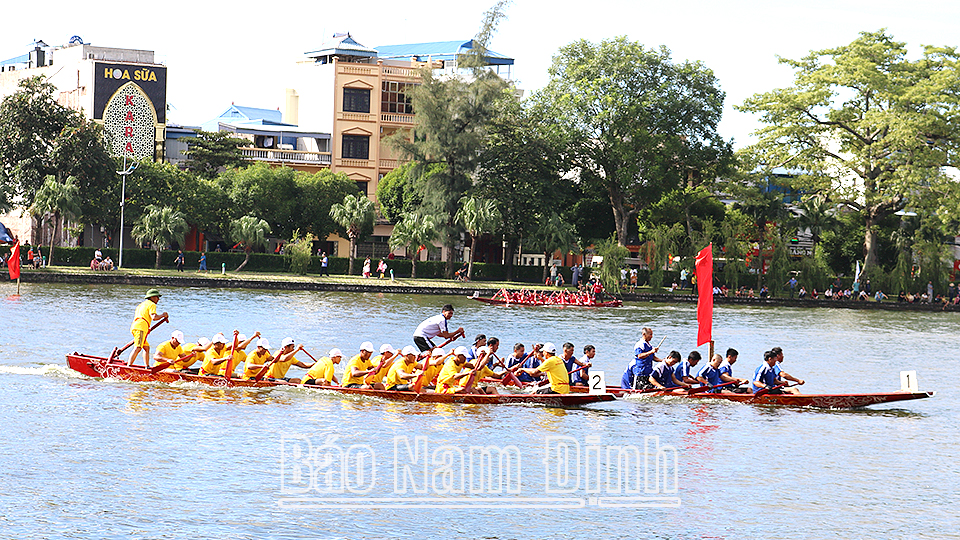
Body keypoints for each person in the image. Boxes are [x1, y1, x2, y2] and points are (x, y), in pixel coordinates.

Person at [128, 288, 168, 367]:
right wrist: (163, 315)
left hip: (137, 326)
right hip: (141, 327)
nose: (158, 299)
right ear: (152, 297)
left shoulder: (141, 304)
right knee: (138, 347)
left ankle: (147, 366)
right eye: (157, 297)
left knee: (146, 348)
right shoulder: (152, 304)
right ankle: (129, 366)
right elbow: (154, 317)